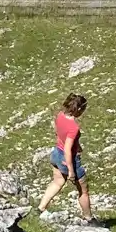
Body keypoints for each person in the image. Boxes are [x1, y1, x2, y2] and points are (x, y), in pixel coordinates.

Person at [37, 93, 92, 222]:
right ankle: (88, 218)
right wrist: (71, 171)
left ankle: (40, 207)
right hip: (67, 159)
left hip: (56, 153)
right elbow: (68, 150)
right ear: (79, 109)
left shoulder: (60, 115)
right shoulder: (74, 128)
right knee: (83, 191)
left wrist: (77, 146)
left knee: (57, 181)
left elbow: (59, 133)